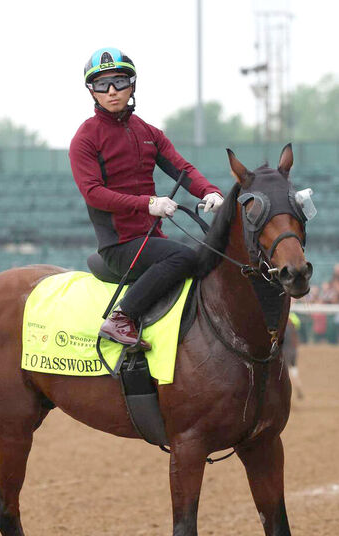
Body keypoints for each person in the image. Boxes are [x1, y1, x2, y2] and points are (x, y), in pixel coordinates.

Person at [69, 47, 224, 351]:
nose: (112, 91)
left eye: (119, 81)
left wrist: (209, 190)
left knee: (208, 256)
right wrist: (148, 204)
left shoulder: (150, 133)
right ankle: (121, 317)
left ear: (132, 85)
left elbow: (183, 169)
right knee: (184, 257)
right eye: (102, 84)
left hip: (151, 238)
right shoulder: (85, 138)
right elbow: (93, 193)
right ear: (92, 91)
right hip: (119, 244)